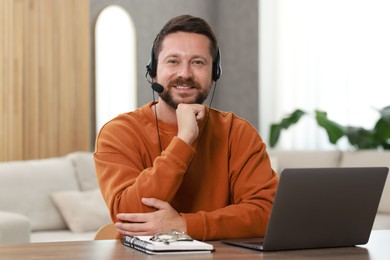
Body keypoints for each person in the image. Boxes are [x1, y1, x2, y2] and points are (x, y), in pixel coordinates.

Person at [94, 14, 278, 241]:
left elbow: (267, 214)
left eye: (198, 62)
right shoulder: (119, 133)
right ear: (153, 72)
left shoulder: (237, 132)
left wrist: (183, 225)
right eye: (173, 61)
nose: (185, 74)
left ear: (214, 74)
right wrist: (184, 139)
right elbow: (130, 215)